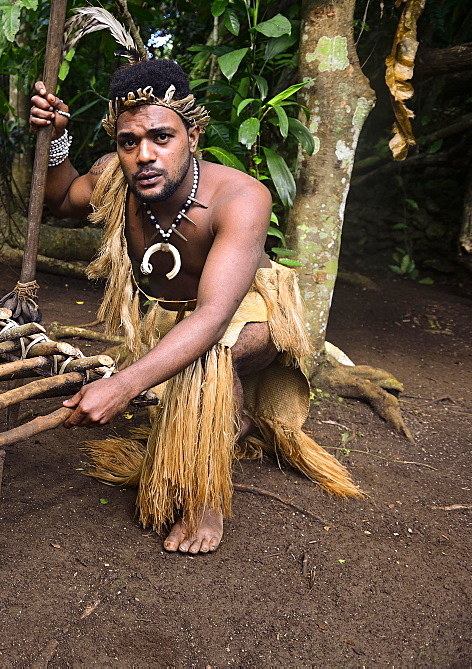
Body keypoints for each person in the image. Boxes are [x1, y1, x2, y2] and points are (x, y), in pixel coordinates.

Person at [29, 57, 362, 554]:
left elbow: (213, 317)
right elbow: (62, 201)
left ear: (193, 134)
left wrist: (121, 385)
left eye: (162, 137)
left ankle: (206, 498)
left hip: (248, 312)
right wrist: (56, 138)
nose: (144, 155)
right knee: (180, 379)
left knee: (211, 359)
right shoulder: (116, 177)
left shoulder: (241, 197)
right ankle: (236, 424)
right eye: (128, 142)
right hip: (175, 313)